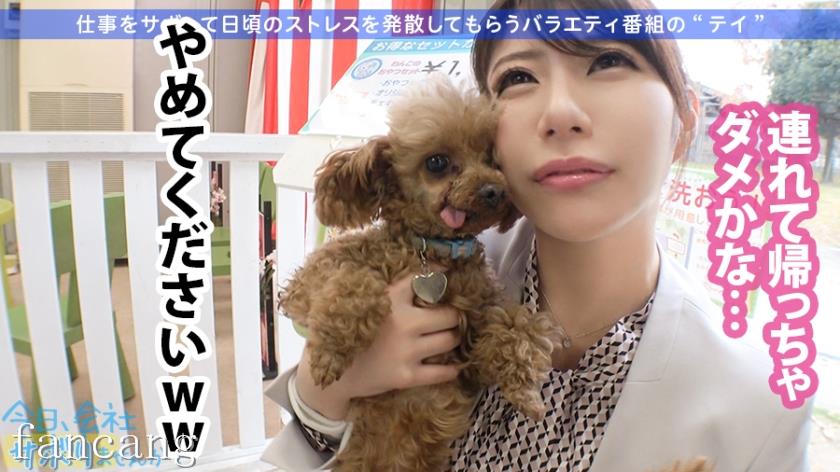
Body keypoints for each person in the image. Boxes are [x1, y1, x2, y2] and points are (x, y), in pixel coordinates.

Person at [261, 0, 814, 470]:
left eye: (609, 60)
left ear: (685, 120)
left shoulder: (761, 406)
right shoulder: (415, 273)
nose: (561, 112)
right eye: (518, 78)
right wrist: (325, 393)